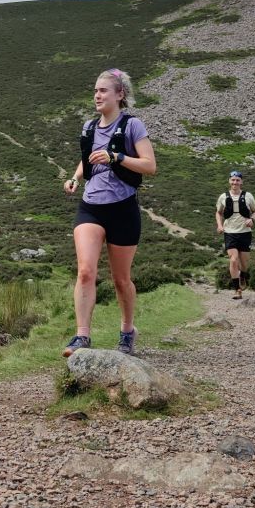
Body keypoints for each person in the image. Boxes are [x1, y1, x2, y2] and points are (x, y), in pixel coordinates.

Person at [63, 69, 156, 356]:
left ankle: (127, 330)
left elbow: (150, 166)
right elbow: (87, 159)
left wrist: (116, 157)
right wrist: (75, 178)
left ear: (120, 94)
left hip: (122, 208)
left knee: (120, 279)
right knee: (85, 271)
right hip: (90, 207)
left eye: (103, 90)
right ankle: (82, 336)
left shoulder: (132, 125)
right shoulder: (90, 127)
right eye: (95, 90)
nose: (97, 95)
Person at [215, 171, 255, 299]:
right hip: (230, 232)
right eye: (233, 180)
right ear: (229, 181)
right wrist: (219, 225)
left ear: (241, 182)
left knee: (244, 263)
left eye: (237, 180)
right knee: (233, 259)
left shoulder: (248, 196)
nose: (235, 182)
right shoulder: (223, 197)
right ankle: (237, 289)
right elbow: (218, 212)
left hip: (245, 233)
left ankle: (243, 275)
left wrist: (252, 219)